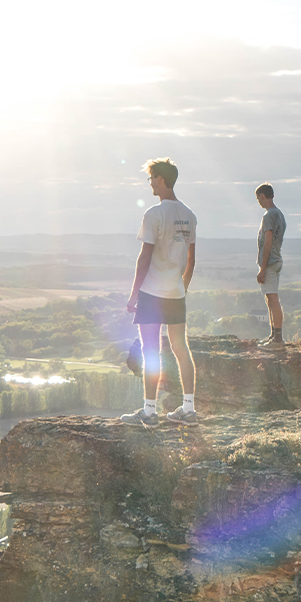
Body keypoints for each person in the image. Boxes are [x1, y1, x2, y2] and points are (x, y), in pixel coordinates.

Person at [120, 157, 199, 427]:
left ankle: (150, 412)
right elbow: (191, 260)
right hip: (176, 292)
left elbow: (144, 258)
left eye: (152, 177)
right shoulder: (189, 215)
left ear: (161, 180)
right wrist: (182, 287)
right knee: (181, 348)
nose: (150, 182)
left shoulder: (153, 214)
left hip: (152, 293)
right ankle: (189, 410)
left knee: (150, 349)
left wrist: (133, 294)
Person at [255, 183, 287, 347]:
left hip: (270, 262)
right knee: (270, 298)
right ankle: (274, 335)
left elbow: (268, 242)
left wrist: (262, 268)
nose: (258, 202)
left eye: (258, 198)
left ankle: (278, 339)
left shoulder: (269, 216)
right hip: (276, 259)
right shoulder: (279, 214)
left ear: (262, 196)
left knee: (273, 299)